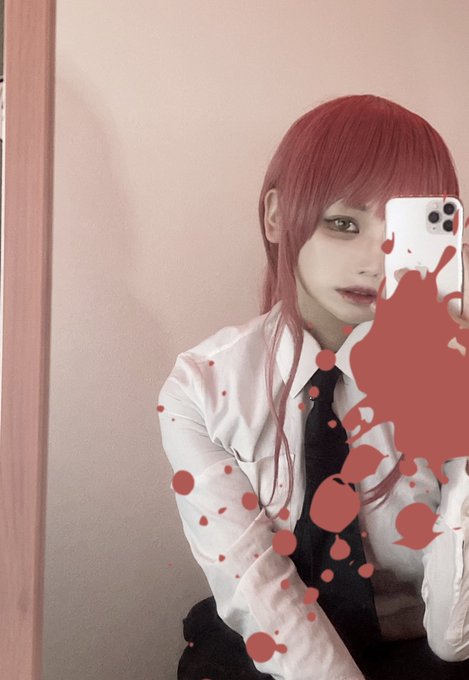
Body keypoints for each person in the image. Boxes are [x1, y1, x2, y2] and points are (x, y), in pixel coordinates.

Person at [157, 94, 469, 679]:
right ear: (277, 216)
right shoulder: (202, 387)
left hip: (423, 640)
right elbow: (258, 590)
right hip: (279, 646)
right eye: (344, 223)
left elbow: (456, 638)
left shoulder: (450, 372)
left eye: (399, 232)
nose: (376, 262)